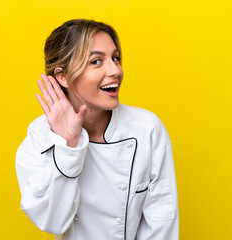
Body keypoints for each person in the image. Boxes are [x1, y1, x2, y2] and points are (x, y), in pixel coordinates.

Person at [15, 19, 179, 240]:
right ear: (63, 76)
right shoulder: (39, 136)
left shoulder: (146, 129)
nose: (115, 70)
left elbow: (162, 221)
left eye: (115, 58)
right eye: (96, 62)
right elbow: (53, 222)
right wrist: (69, 145)